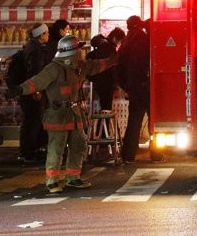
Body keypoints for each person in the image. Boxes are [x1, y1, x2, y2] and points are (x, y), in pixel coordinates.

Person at [8, 35, 117, 194]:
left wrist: (112, 60)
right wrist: (20, 89)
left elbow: (96, 65)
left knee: (79, 145)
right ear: (72, 51)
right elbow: (37, 81)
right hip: (58, 114)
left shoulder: (80, 66)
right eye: (78, 49)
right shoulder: (54, 68)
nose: (80, 52)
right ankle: (52, 181)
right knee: (56, 148)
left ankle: (73, 177)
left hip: (75, 114)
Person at [118, 15, 154, 163]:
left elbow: (119, 67)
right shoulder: (144, 39)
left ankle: (128, 155)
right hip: (145, 85)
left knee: (134, 121)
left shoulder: (126, 42)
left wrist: (126, 86)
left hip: (133, 86)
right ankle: (156, 154)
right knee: (153, 119)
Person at [16, 23, 50, 165]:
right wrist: (36, 89)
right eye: (46, 33)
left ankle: (29, 151)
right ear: (41, 35)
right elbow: (35, 71)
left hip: (29, 90)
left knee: (32, 121)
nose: (48, 35)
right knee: (33, 122)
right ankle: (27, 153)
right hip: (33, 91)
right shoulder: (36, 50)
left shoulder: (31, 47)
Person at [87, 33, 118, 112]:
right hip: (108, 83)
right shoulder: (110, 48)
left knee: (102, 105)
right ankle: (105, 119)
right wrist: (115, 85)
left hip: (99, 84)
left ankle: (100, 118)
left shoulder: (95, 51)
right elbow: (114, 67)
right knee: (106, 107)